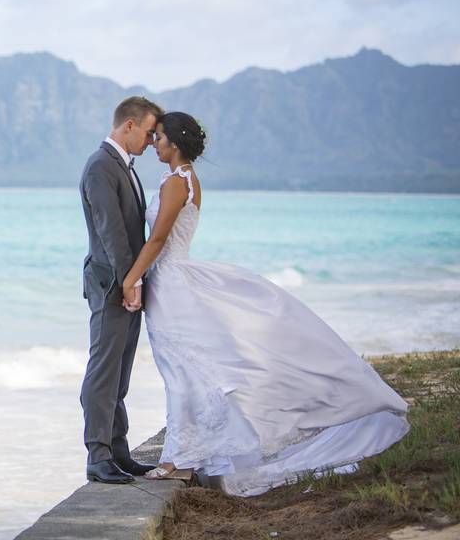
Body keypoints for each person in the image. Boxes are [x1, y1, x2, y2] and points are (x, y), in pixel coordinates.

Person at [121, 111, 410, 496]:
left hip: (172, 285)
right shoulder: (184, 179)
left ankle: (178, 459)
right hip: (171, 282)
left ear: (174, 142)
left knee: (182, 369)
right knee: (186, 370)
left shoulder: (177, 182)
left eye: (158, 137)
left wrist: (130, 278)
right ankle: (189, 453)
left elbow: (157, 241)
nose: (154, 143)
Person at [78, 95, 164, 484]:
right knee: (103, 371)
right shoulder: (100, 166)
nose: (150, 143)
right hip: (112, 283)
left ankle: (118, 451)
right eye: (148, 134)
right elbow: (111, 231)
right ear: (129, 125)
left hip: (126, 283)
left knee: (120, 373)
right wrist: (131, 282)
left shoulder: (123, 166)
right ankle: (98, 456)